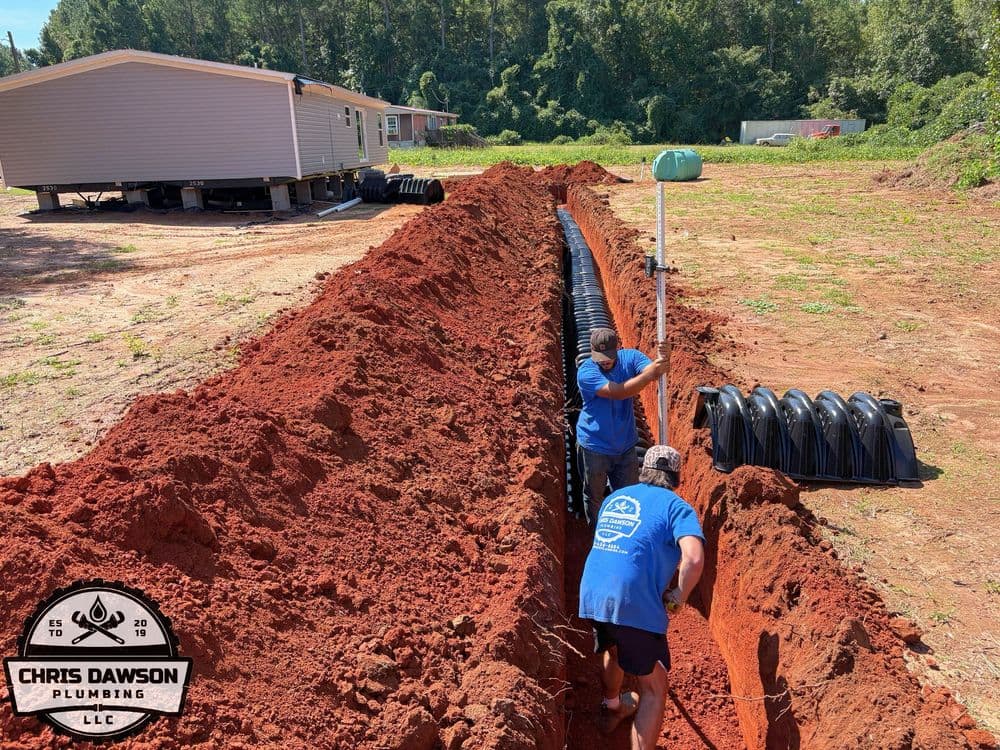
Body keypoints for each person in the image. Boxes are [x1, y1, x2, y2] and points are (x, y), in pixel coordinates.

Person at [578, 445, 705, 748]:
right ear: (676, 478)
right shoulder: (677, 507)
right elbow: (694, 559)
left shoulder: (614, 498)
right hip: (632, 601)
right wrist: (679, 595)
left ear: (642, 471)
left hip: (595, 592)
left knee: (612, 645)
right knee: (653, 688)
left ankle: (612, 706)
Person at [576, 327, 670, 525]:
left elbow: (652, 370)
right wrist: (649, 375)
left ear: (617, 348)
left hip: (625, 445)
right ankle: (597, 534)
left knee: (629, 495)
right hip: (595, 446)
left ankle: (625, 532)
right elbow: (617, 392)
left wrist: (662, 362)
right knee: (594, 496)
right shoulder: (586, 372)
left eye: (608, 356)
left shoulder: (631, 357)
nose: (604, 361)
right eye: (599, 357)